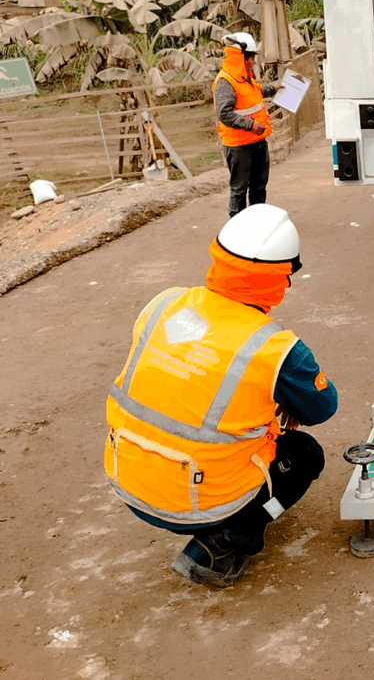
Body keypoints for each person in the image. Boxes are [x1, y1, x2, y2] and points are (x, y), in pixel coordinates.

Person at [104, 204, 338, 587]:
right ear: (280, 279)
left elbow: (182, 381)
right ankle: (224, 542)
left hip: (126, 476)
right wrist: (285, 399)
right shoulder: (274, 348)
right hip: (196, 503)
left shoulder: (165, 303)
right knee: (305, 455)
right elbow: (323, 407)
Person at [214, 32, 281, 217]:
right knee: (239, 189)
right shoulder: (225, 82)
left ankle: (256, 223)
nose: (253, 61)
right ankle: (236, 229)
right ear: (240, 57)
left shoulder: (245, 78)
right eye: (251, 57)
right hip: (239, 146)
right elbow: (224, 114)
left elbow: (257, 93)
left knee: (259, 186)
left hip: (258, 140)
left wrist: (274, 87)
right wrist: (250, 126)